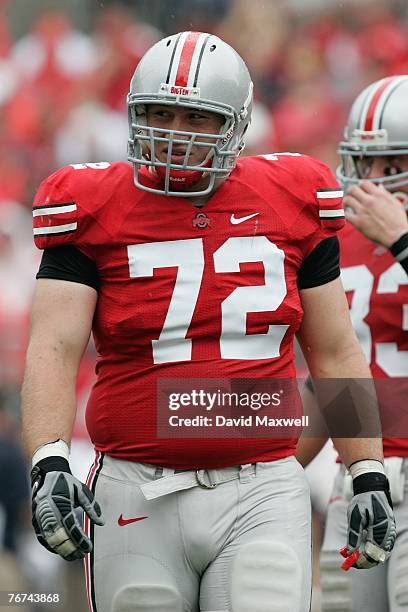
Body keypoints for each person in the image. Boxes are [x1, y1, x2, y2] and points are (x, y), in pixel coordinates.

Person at [22, 32, 396, 612]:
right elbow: (53, 348)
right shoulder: (90, 202)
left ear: (236, 125)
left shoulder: (293, 196)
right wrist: (48, 461)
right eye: (159, 113)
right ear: (132, 113)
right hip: (135, 483)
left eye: (195, 118)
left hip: (263, 484)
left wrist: (366, 466)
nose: (173, 133)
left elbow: (335, 352)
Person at [297, 74, 408, 611]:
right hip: (360, 479)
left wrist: (404, 242)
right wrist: (272, 471)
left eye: (391, 166)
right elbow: (334, 379)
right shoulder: (341, 246)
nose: (373, 182)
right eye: (364, 165)